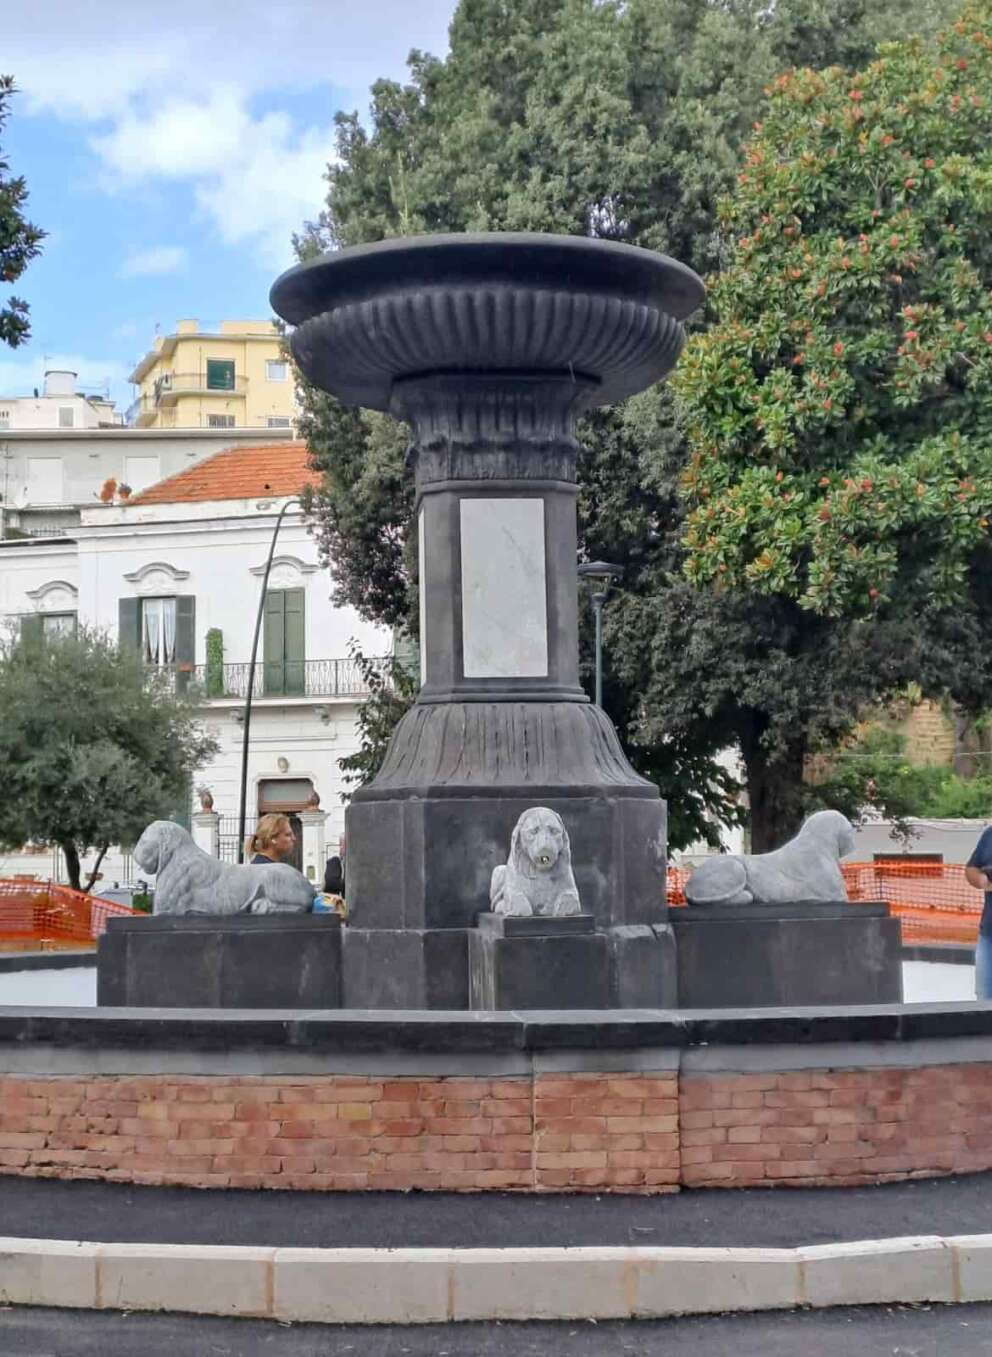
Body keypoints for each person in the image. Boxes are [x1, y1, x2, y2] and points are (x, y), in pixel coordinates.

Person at [965, 828, 992, 998]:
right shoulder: (990, 835)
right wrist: (981, 879)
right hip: (989, 935)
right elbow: (972, 868)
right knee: (985, 998)